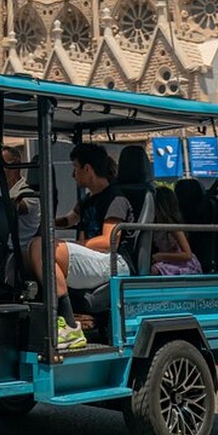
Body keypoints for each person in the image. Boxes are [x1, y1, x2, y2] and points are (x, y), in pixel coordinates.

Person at [28, 143, 133, 349]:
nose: (72, 174)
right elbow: (69, 220)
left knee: (45, 248)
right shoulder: (88, 199)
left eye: (75, 167)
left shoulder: (116, 198)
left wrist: (68, 245)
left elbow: (108, 241)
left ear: (88, 169)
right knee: (34, 248)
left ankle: (68, 325)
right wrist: (42, 221)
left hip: (114, 262)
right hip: (97, 259)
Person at [150, 187, 202, 275]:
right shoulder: (156, 228)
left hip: (183, 265)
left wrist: (160, 256)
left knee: (154, 270)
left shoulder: (173, 227)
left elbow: (187, 255)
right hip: (167, 262)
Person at [0, 145, 40, 250]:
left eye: (2, 165)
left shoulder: (29, 193)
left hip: (21, 250)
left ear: (16, 165)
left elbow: (18, 206)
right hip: (0, 246)